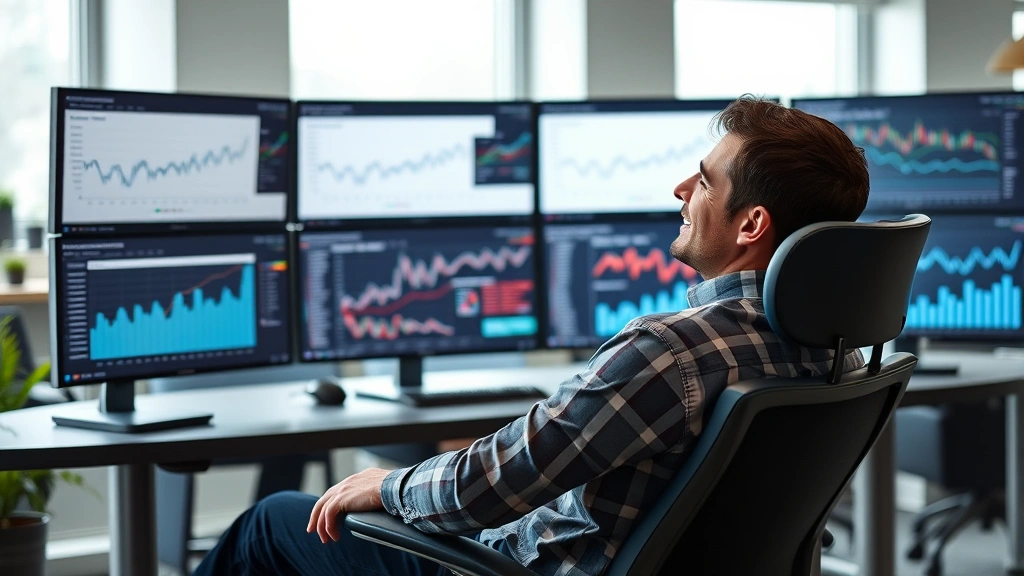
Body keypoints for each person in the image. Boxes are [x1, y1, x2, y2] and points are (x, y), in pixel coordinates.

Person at [193, 95, 871, 576]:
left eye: (702, 180)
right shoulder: (832, 351)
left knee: (275, 520)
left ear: (750, 224)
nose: (680, 190)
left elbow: (490, 488)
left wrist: (387, 485)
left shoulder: (674, 351)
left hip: (514, 569)